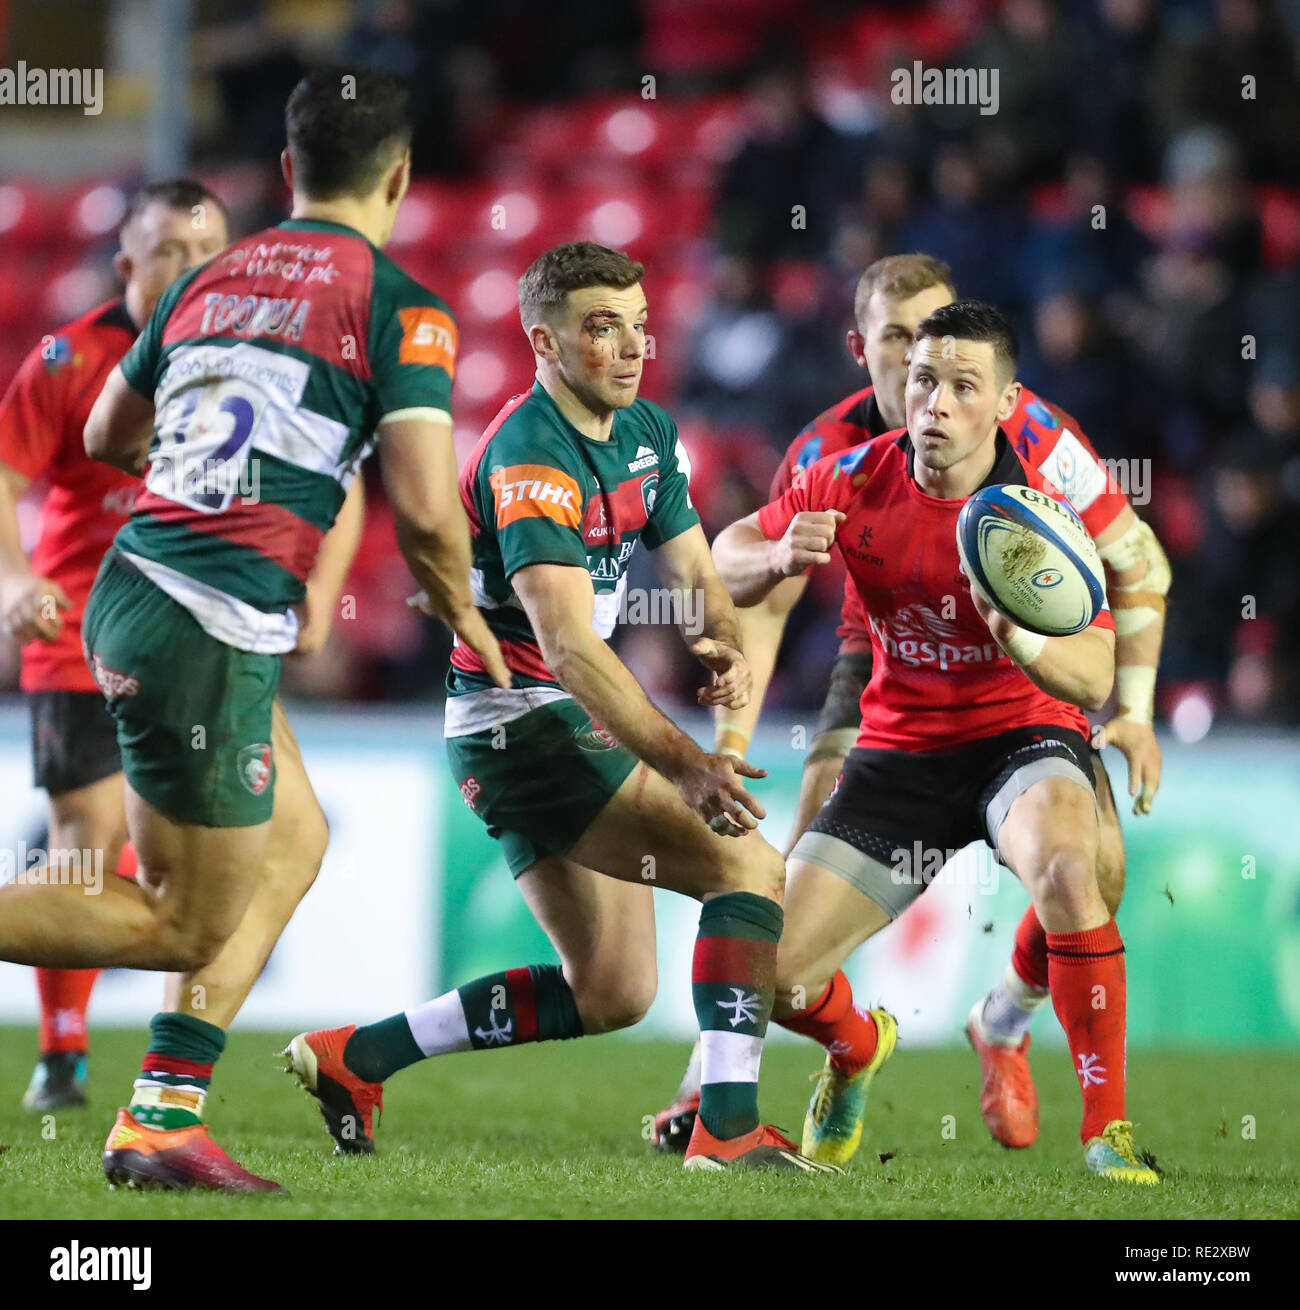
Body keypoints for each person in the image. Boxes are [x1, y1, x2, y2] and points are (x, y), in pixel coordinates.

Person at [0, 67, 505, 1193]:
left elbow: (102, 426)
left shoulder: (208, 278)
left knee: (296, 839)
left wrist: (190, 485)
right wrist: (470, 613)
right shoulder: (399, 304)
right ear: (401, 177)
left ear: (287, 172)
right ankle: (153, 1122)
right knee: (181, 923)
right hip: (205, 619)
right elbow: (425, 507)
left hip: (145, 587)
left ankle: (160, 1114)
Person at [283, 241, 835, 1174]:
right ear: (543, 341)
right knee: (746, 862)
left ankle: (359, 1056)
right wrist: (686, 763)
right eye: (601, 327)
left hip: (533, 724)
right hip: (525, 723)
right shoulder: (532, 458)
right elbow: (572, 649)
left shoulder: (647, 430)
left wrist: (722, 645)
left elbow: (697, 568)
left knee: (614, 988)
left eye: (639, 325)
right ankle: (726, 1129)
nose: (629, 348)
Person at [654, 254, 1171, 1152]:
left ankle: (1102, 1128)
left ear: (1005, 402)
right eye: (920, 375)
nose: (930, 398)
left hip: (1022, 731)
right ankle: (858, 1048)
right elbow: (722, 562)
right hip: (900, 745)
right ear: (883, 364)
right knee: (772, 974)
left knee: (1078, 874)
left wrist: (1044, 653)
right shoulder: (844, 472)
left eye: (959, 384)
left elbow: (1094, 665)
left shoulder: (1043, 498)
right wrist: (774, 559)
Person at [0, 180, 228, 1110]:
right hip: (77, 631)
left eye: (204, 251)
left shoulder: (241, 357)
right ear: (128, 264)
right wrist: (16, 582)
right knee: (86, 843)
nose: (188, 269)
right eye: (167, 251)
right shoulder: (66, 357)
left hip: (197, 636)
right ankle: (62, 1050)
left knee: (183, 857)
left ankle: (172, 1069)